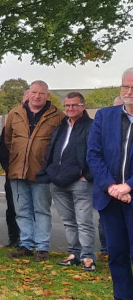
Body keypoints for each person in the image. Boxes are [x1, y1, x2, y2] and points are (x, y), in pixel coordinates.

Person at [87, 70, 133, 300]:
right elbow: (93, 154)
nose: (128, 92)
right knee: (116, 252)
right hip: (110, 198)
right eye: (125, 86)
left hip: (130, 194)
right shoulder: (105, 116)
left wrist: (129, 185)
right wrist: (111, 187)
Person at [3, 81, 61, 261]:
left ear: (47, 96)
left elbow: (59, 145)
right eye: (34, 92)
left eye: (41, 93)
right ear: (28, 94)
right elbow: (8, 140)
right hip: (17, 170)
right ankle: (25, 245)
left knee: (42, 210)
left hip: (41, 172)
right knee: (22, 210)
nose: (37, 96)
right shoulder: (15, 113)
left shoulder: (57, 116)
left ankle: (42, 247)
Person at [39, 92, 96, 271]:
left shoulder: (91, 126)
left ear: (83, 106)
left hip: (80, 182)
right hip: (58, 182)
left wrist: (87, 175)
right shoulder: (61, 126)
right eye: (68, 105)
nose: (70, 109)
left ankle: (88, 257)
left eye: (74, 105)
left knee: (83, 221)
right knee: (69, 221)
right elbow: (52, 150)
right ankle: (74, 254)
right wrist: (49, 172)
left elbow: (95, 152)